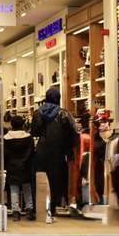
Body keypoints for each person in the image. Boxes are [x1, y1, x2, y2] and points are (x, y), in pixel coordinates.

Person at [31, 87, 78, 224]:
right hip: (58, 151)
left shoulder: (38, 113)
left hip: (42, 150)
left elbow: (34, 132)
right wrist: (70, 150)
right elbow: (72, 133)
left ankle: (40, 208)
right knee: (56, 181)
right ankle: (52, 208)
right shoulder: (64, 114)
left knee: (41, 180)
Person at [4, 115, 36, 221]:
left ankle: (15, 212)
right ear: (23, 124)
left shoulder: (6, 138)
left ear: (11, 124)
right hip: (25, 166)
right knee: (27, 188)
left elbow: (5, 154)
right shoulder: (28, 138)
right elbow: (31, 153)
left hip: (12, 166)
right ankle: (29, 209)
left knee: (14, 189)